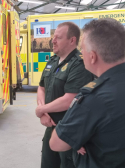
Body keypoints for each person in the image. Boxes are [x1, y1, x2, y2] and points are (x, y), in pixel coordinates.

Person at [49, 18, 125, 168]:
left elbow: (56, 144)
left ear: (92, 56)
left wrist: (71, 132)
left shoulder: (94, 98)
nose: (81, 54)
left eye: (82, 49)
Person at [35, 22, 94, 168]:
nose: (53, 41)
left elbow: (70, 99)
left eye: (58, 38)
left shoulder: (79, 64)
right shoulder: (52, 61)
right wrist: (43, 111)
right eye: (53, 37)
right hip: (51, 127)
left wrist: (41, 110)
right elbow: (41, 87)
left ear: (72, 40)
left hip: (69, 132)